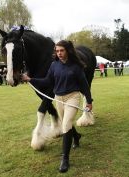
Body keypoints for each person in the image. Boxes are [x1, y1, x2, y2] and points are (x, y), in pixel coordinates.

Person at [22, 40, 93, 173]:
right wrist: (30, 79)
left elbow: (84, 85)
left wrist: (89, 101)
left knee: (65, 125)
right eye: (57, 51)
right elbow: (47, 81)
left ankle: (64, 159)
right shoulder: (54, 65)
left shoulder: (76, 66)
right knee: (68, 124)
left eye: (62, 50)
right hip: (59, 98)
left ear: (68, 51)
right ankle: (76, 137)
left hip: (72, 97)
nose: (59, 53)